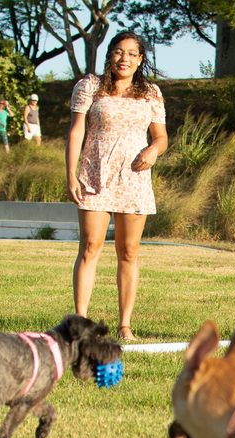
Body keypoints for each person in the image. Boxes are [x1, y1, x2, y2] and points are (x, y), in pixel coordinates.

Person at [67, 31, 168, 342]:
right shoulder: (89, 87)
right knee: (90, 246)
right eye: (118, 52)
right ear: (109, 55)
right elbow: (76, 132)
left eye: (131, 54)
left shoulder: (150, 93)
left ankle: (125, 324)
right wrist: (71, 175)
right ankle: (80, 324)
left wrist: (153, 151)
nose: (124, 58)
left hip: (134, 180)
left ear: (140, 61)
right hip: (95, 176)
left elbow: (161, 138)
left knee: (128, 251)